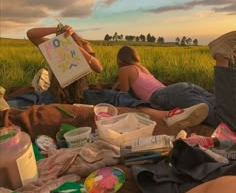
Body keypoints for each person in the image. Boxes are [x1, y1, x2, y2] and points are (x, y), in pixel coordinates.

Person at [1, 24, 209, 128]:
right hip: (55, 93)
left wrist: (76, 47)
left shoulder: (84, 48)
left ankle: (167, 116)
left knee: (117, 98)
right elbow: (31, 34)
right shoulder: (54, 49)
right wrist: (57, 29)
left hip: (81, 94)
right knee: (28, 101)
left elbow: (98, 68)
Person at [114, 31, 236, 131]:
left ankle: (222, 59)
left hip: (164, 95)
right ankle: (230, 60)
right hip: (181, 88)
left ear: (120, 59)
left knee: (222, 120)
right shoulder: (141, 68)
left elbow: (124, 94)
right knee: (222, 105)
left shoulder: (124, 70)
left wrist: (115, 88)